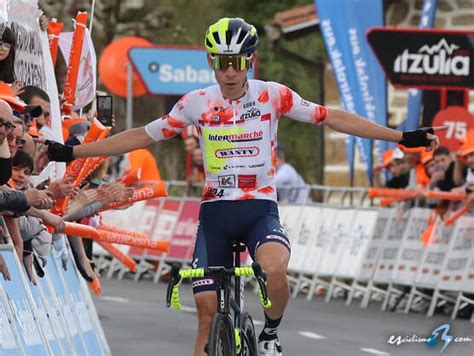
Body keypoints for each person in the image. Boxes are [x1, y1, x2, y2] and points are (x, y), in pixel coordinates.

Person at [45, 17, 443, 356]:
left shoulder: (272, 95)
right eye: (222, 63)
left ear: (249, 60)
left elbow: (331, 118)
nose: (230, 72)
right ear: (211, 62)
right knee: (204, 314)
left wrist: (400, 136)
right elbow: (141, 136)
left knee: (274, 269)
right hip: (216, 213)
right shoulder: (195, 103)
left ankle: (270, 335)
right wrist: (75, 151)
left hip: (258, 209)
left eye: (237, 63)